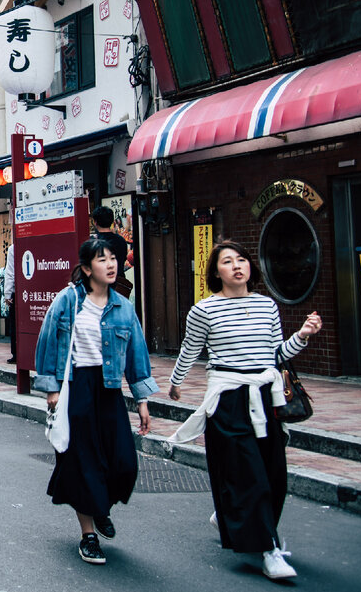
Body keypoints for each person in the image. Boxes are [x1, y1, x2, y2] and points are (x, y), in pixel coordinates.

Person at [168, 240, 323, 581]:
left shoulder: (268, 306)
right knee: (250, 475)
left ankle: (231, 516)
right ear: (216, 272)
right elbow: (190, 350)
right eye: (227, 261)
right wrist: (175, 383)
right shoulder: (204, 310)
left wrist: (304, 335)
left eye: (241, 260)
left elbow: (277, 354)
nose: (237, 266)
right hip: (229, 399)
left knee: (273, 474)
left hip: (266, 398)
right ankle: (269, 549)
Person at [34, 237, 157, 566]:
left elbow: (136, 355)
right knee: (83, 464)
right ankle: (88, 534)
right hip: (77, 388)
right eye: (102, 260)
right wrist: (52, 389)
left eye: (114, 259)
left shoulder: (123, 307)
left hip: (109, 390)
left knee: (124, 463)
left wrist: (142, 400)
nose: (112, 264)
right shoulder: (68, 301)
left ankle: (102, 506)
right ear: (87, 268)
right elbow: (47, 342)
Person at [91, 206, 131, 295]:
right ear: (112, 222)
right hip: (119, 288)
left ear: (95, 222)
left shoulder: (92, 243)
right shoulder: (121, 241)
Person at [2, 241, 16, 364]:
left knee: (15, 325)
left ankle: (16, 353)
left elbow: (10, 272)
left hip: (17, 293)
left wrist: (8, 293)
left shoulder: (13, 248)